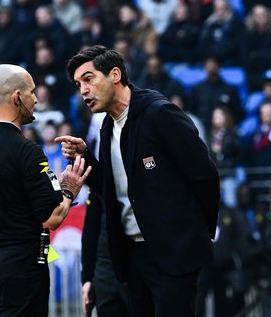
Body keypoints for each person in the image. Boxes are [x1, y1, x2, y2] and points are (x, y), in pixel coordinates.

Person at [56, 45, 221, 316]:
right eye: (78, 85)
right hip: (133, 257)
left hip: (173, 255)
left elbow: (205, 176)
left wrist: (195, 237)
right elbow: (110, 191)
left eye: (88, 79)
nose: (83, 90)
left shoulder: (160, 114)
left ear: (115, 75)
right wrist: (85, 157)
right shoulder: (107, 127)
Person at [0, 64, 91, 316]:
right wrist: (69, 190)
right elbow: (52, 217)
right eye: (31, 92)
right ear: (17, 97)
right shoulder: (26, 150)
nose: (35, 99)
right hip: (21, 265)